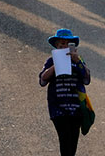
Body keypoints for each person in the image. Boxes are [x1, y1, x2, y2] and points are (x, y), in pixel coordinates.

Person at [39, 28, 91, 156]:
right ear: (56, 46)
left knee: (72, 143)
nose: (65, 46)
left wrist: (77, 61)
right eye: (61, 44)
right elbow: (42, 80)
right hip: (58, 108)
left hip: (76, 108)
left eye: (68, 44)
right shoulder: (51, 61)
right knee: (64, 139)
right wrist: (56, 64)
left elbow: (87, 79)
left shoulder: (78, 61)